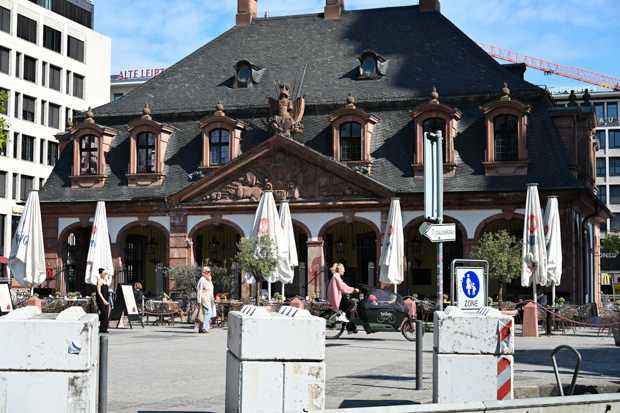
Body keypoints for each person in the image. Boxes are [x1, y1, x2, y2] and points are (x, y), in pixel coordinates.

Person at [327, 263, 359, 334]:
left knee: (346, 312)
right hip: (336, 298)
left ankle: (351, 328)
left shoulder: (335, 277)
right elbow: (343, 287)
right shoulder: (336, 277)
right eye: (343, 269)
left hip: (336, 297)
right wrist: (353, 290)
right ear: (339, 270)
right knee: (351, 303)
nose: (344, 271)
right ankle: (342, 318)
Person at [196, 266, 215, 334]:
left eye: (210, 271)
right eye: (208, 271)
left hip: (209, 299)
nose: (210, 272)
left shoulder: (209, 280)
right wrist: (199, 300)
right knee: (209, 312)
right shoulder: (202, 279)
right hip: (204, 299)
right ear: (204, 272)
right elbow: (199, 290)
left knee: (205, 314)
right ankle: (204, 328)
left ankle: (201, 328)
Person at [96, 268, 110, 334]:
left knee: (106, 314)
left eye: (106, 273)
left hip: (106, 299)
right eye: (104, 273)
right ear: (100, 274)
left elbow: (106, 290)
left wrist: (109, 294)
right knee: (104, 313)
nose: (106, 274)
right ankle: (95, 318)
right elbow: (99, 292)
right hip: (100, 299)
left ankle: (103, 329)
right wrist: (103, 299)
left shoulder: (105, 280)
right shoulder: (99, 281)